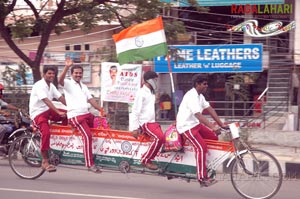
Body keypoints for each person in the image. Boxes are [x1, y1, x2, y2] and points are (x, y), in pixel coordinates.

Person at [176, 74, 227, 187]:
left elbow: (210, 109)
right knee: (201, 147)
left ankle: (203, 162)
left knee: (214, 137)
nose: (206, 86)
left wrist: (221, 124)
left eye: (207, 84)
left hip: (195, 125)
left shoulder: (200, 96)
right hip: (186, 126)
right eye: (204, 84)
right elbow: (199, 115)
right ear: (197, 84)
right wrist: (213, 127)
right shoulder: (191, 96)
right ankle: (202, 178)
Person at [58, 57, 103, 173]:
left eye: (80, 73)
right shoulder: (68, 83)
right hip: (76, 116)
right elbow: (59, 80)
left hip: (86, 114)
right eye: (76, 73)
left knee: (101, 127)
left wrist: (100, 109)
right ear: (72, 74)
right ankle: (89, 164)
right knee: (88, 136)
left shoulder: (84, 86)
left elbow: (91, 99)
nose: (78, 75)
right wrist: (67, 67)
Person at [29, 66, 68, 172]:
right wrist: (58, 112)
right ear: (44, 74)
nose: (51, 75)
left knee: (68, 115)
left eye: (53, 74)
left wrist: (72, 107)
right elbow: (46, 100)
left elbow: (60, 98)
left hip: (48, 111)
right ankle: (45, 161)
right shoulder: (39, 85)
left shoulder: (51, 86)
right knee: (46, 133)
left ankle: (60, 142)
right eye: (49, 73)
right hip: (38, 114)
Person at [130, 71, 165, 170]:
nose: (156, 81)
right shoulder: (141, 93)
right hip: (145, 123)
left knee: (163, 138)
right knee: (160, 138)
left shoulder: (151, 93)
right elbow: (135, 111)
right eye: (155, 79)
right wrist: (134, 128)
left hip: (153, 122)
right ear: (149, 80)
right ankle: (146, 159)